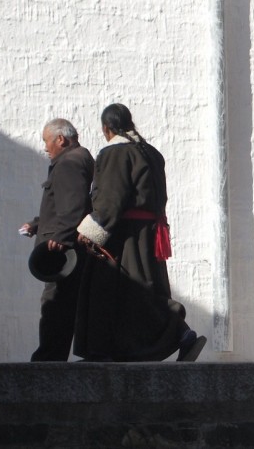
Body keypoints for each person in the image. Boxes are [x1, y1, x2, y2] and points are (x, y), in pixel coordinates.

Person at [75, 103, 206, 362]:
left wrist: (93, 228)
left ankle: (107, 350)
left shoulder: (115, 153)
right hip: (149, 232)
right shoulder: (151, 153)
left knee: (122, 290)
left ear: (106, 128)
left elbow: (111, 197)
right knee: (144, 289)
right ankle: (175, 335)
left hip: (124, 236)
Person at [21, 118, 94, 361]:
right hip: (64, 247)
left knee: (55, 303)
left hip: (62, 253)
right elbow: (62, 205)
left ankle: (49, 358)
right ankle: (51, 355)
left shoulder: (69, 163)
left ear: (60, 139)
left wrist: (61, 236)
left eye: (46, 141)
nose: (45, 147)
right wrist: (37, 224)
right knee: (61, 303)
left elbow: (74, 206)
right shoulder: (74, 160)